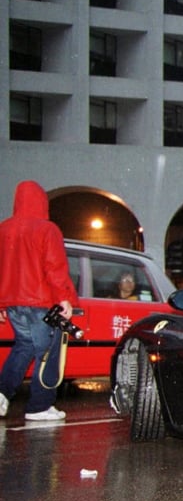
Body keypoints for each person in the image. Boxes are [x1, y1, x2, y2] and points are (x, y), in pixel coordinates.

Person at [0, 180, 80, 421]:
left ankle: (1, 393)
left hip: (14, 303)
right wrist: (64, 299)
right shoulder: (47, 229)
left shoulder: (3, 229)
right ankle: (40, 406)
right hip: (41, 303)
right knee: (49, 351)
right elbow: (54, 268)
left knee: (24, 346)